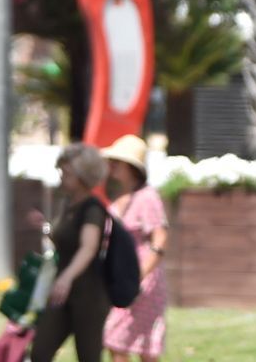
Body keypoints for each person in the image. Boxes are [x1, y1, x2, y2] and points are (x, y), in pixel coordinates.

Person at [29, 143, 111, 362]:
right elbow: (64, 240)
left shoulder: (92, 208)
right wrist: (45, 227)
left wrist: (67, 277)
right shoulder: (68, 205)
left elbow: (88, 247)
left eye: (67, 173)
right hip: (61, 293)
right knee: (40, 351)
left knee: (88, 356)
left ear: (84, 176)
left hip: (88, 294)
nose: (62, 177)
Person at [100, 135, 168, 362]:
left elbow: (160, 238)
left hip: (141, 278)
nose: (112, 166)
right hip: (123, 277)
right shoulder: (123, 196)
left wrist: (138, 276)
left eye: (117, 162)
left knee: (118, 337)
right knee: (124, 340)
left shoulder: (147, 197)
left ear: (131, 167)